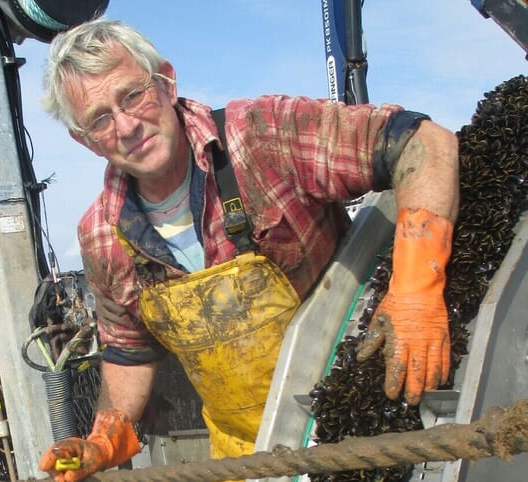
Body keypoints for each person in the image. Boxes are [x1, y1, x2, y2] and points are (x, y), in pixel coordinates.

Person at [38, 19, 459, 480]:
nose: (126, 125)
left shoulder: (262, 136)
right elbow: (128, 351)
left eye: (133, 95)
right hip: (247, 459)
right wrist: (103, 439)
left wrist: (417, 290)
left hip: (363, 415)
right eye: (99, 118)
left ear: (167, 80)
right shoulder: (102, 235)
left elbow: (423, 144)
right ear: (84, 140)